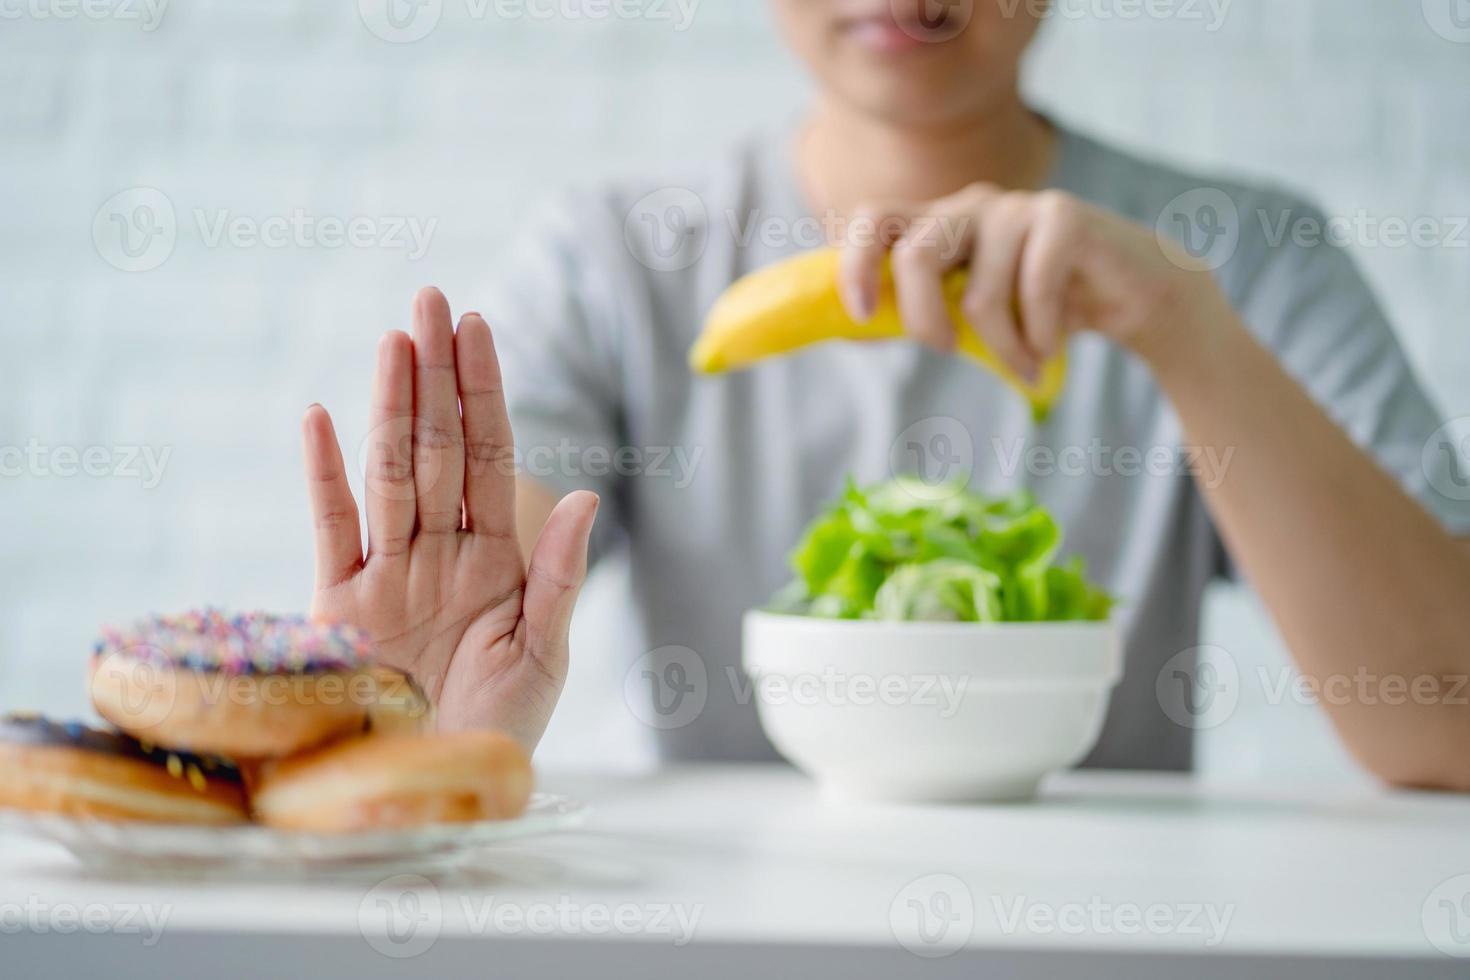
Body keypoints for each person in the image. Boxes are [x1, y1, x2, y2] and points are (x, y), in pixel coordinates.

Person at [299, 1, 1470, 787]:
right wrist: (413, 715)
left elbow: (1446, 720)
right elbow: (457, 642)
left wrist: (1183, 327)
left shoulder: (1242, 259)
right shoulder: (614, 260)